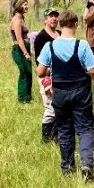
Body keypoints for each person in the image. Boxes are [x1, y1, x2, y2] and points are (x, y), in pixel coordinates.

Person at [36, 10, 94, 181]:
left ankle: (67, 167)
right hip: (81, 94)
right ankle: (86, 165)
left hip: (59, 95)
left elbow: (40, 72)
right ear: (76, 25)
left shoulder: (50, 46)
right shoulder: (82, 45)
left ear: (61, 25)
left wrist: (52, 69)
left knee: (64, 129)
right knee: (85, 128)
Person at [33, 8, 61, 143]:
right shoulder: (41, 37)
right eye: (51, 16)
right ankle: (46, 138)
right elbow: (39, 63)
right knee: (50, 106)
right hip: (46, 76)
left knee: (59, 105)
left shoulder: (61, 34)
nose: (54, 19)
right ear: (45, 19)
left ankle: (57, 135)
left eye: (56, 16)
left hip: (61, 76)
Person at [10, 0, 32, 103]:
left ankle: (28, 97)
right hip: (19, 49)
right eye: (24, 5)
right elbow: (19, 39)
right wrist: (25, 53)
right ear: (19, 6)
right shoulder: (17, 20)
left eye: (27, 4)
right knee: (24, 73)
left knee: (28, 73)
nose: (27, 6)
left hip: (25, 48)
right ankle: (22, 98)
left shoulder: (22, 18)